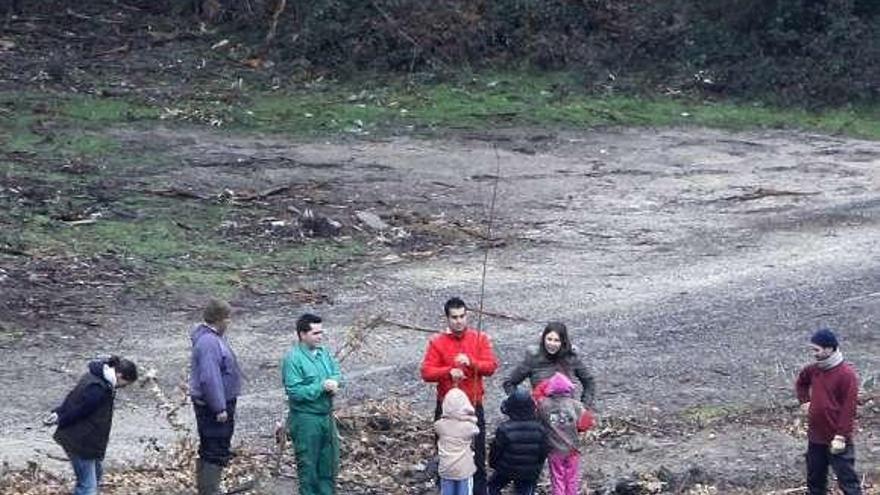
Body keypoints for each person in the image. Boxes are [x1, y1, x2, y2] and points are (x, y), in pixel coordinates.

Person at [421, 297, 499, 495]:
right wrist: (448, 371)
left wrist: (471, 362)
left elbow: (491, 367)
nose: (459, 321)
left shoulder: (479, 338)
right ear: (447, 319)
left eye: (462, 316)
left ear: (467, 316)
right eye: (454, 317)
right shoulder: (437, 342)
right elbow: (426, 372)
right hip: (446, 411)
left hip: (474, 406)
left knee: (478, 456)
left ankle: (479, 491)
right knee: (445, 456)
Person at [45, 355, 138, 495]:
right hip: (81, 443)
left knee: (96, 474)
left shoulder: (95, 378)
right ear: (119, 375)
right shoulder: (98, 388)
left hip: (84, 440)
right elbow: (78, 411)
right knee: (87, 487)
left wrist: (59, 413)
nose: (124, 387)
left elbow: (72, 399)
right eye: (125, 383)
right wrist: (60, 417)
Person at [282, 313, 343, 495]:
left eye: (321, 332)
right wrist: (321, 387)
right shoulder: (293, 359)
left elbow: (337, 373)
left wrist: (336, 382)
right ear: (302, 334)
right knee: (308, 468)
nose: (320, 337)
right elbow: (294, 391)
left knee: (329, 465)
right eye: (315, 333)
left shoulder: (324, 354)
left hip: (327, 417)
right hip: (306, 420)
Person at [796, 328, 862, 495]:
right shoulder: (814, 369)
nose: (813, 353)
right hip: (816, 437)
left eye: (816, 350)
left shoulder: (847, 375)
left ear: (829, 349)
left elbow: (849, 409)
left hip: (837, 439)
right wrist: (805, 401)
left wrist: (841, 436)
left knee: (848, 482)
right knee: (815, 481)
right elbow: (801, 383)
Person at [189, 298, 242, 495]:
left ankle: (208, 489)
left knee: (209, 447)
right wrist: (219, 407)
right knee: (216, 449)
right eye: (227, 319)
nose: (229, 323)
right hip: (214, 408)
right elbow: (209, 378)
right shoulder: (209, 343)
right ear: (219, 319)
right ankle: (210, 491)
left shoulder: (208, 339)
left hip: (213, 404)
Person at [503, 321, 595, 407]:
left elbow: (589, 381)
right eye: (549, 339)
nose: (552, 344)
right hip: (541, 413)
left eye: (556, 340)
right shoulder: (534, 358)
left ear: (563, 342)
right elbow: (509, 383)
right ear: (544, 339)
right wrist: (522, 404)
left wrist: (584, 406)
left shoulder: (571, 358)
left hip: (567, 412)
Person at [539, 372, 593, 495]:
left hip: (554, 449)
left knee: (557, 478)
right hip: (572, 449)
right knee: (572, 478)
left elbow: (538, 420)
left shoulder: (544, 405)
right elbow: (586, 423)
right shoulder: (576, 405)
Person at [488, 389, 549, 495]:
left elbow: (496, 450)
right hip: (529, 471)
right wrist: (537, 467)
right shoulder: (540, 429)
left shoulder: (504, 429)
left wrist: (493, 464)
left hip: (506, 468)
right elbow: (543, 452)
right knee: (526, 489)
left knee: (492, 486)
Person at [435, 388, 481, 495]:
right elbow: (476, 430)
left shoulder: (440, 425)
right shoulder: (468, 427)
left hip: (446, 469)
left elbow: (438, 424)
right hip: (464, 470)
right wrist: (470, 416)